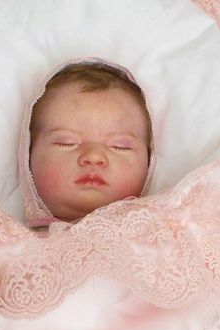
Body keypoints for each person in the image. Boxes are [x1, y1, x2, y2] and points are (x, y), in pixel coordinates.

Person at [26, 62, 154, 227]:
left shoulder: (174, 228)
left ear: (149, 163)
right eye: (66, 143)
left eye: (119, 146)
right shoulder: (2, 237)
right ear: (27, 157)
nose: (94, 156)